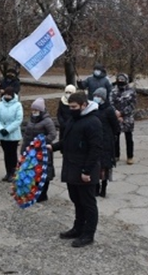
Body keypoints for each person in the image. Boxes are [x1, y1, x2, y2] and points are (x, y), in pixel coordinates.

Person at [48, 91, 102, 248]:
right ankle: (78, 228)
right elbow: (68, 140)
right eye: (69, 107)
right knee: (76, 201)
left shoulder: (93, 122)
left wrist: (86, 171)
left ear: (84, 105)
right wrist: (53, 147)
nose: (71, 109)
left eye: (74, 107)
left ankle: (88, 234)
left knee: (88, 203)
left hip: (85, 170)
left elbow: (95, 149)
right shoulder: (74, 119)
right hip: (71, 167)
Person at [21, 98, 57, 202]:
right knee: (33, 172)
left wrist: (41, 142)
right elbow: (27, 136)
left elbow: (53, 134)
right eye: (33, 109)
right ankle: (34, 191)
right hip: (32, 151)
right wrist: (23, 150)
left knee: (44, 173)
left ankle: (43, 194)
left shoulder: (47, 121)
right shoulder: (31, 120)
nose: (34, 112)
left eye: (36, 110)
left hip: (43, 151)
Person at [92, 87, 120, 197]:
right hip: (95, 140)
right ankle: (96, 187)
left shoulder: (109, 110)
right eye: (95, 96)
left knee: (105, 166)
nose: (96, 98)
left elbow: (115, 126)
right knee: (96, 165)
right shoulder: (93, 108)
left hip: (106, 141)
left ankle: (103, 188)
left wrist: (113, 137)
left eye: (98, 96)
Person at [0, 86, 23, 182]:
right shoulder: (0, 104)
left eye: (8, 95)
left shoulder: (17, 105)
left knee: (12, 153)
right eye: (5, 94)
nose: (7, 96)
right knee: (6, 153)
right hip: (2, 133)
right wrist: (0, 128)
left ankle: (13, 172)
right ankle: (7, 172)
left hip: (13, 134)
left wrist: (8, 129)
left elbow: (18, 119)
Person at [110, 73, 136, 165]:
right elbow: (110, 103)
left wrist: (122, 113)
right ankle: (116, 155)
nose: (120, 82)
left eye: (122, 80)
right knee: (115, 137)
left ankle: (130, 156)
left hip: (127, 118)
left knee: (128, 138)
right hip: (116, 117)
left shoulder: (131, 91)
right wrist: (116, 113)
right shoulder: (113, 90)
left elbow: (132, 105)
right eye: (119, 80)